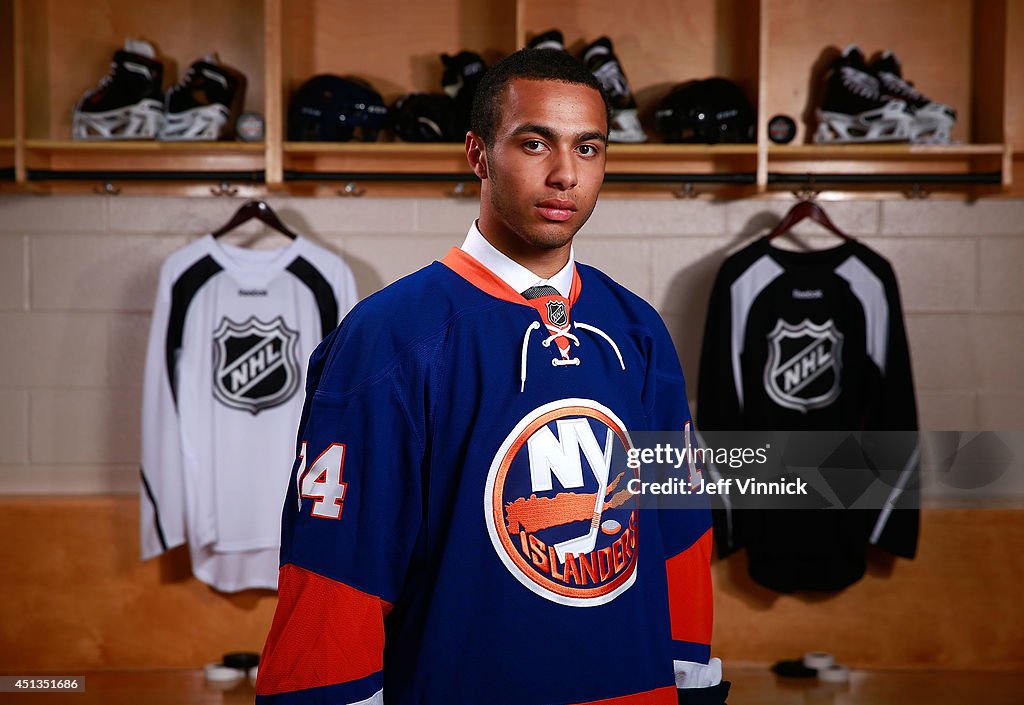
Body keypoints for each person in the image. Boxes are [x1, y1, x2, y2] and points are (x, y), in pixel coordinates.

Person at [256, 48, 727, 705]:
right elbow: (339, 569)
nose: (565, 174)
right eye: (536, 143)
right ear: (478, 154)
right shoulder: (390, 336)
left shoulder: (638, 330)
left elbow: (678, 531)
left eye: (589, 149)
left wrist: (691, 679)